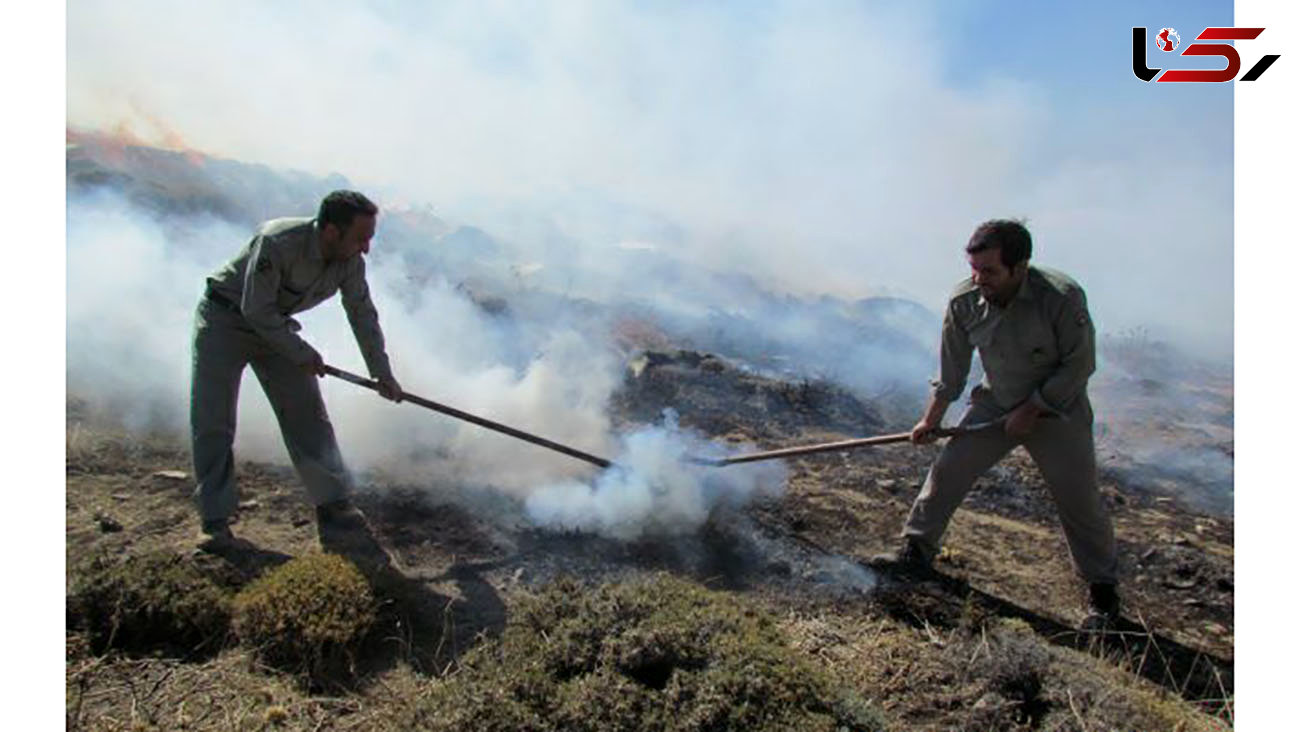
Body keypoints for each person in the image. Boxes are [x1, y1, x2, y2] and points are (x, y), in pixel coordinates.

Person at [871, 219, 1120, 627]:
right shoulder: (965, 301)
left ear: (1020, 267)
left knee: (1079, 499)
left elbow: (1081, 364)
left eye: (989, 271)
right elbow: (951, 372)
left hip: (1059, 410)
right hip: (997, 402)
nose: (978, 278)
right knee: (949, 469)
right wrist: (930, 420)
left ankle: (1102, 593)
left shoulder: (1060, 297)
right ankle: (915, 551)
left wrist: (1035, 406)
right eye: (974, 268)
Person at [190, 190, 402, 552]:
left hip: (276, 330)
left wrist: (382, 373)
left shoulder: (350, 261)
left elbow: (362, 314)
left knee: (308, 415)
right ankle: (215, 520)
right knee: (214, 420)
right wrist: (302, 352)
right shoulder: (278, 242)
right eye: (360, 238)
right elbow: (255, 309)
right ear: (331, 232)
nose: (366, 248)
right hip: (225, 321)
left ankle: (333, 504)